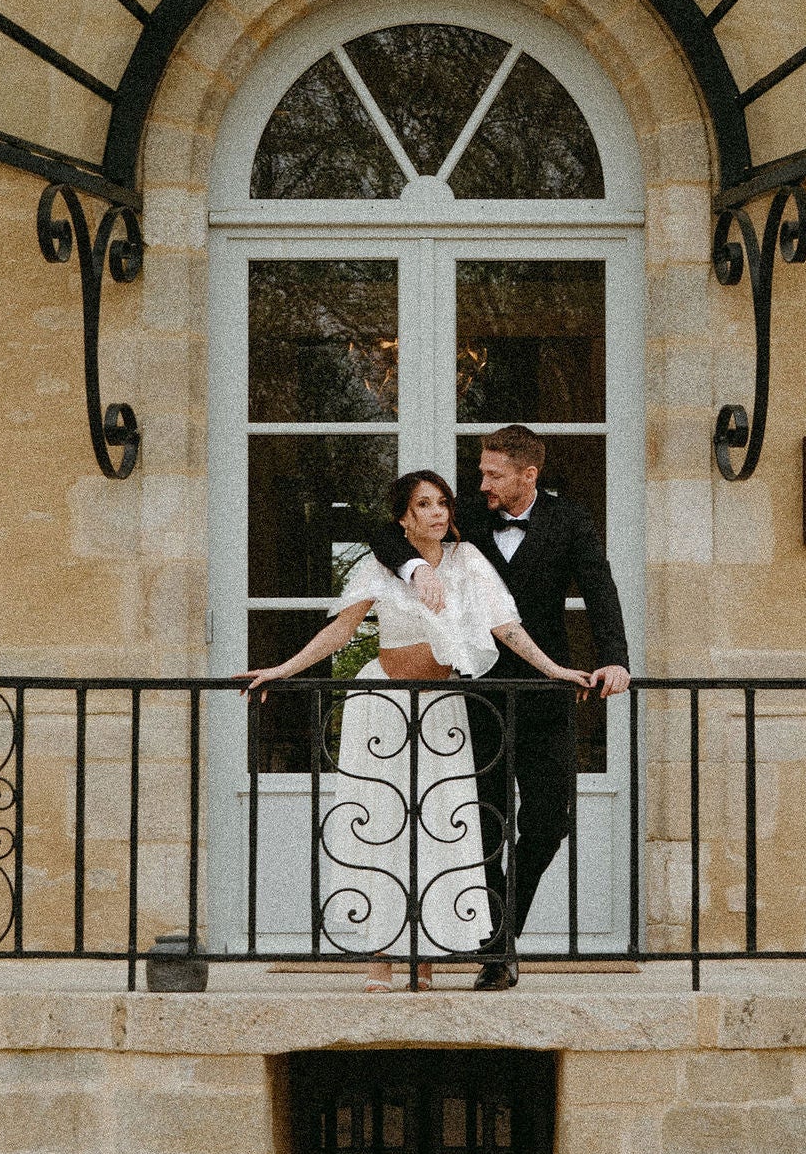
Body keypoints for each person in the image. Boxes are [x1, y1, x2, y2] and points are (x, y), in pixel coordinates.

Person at [243, 467, 591, 989]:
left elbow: (506, 627)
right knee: (380, 822)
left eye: (443, 504)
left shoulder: (466, 559)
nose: (437, 513)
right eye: (424, 505)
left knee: (441, 825)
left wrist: (557, 671)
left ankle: (426, 953)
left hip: (442, 712)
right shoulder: (382, 566)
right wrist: (280, 670)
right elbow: (339, 632)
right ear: (403, 519)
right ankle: (380, 955)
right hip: (382, 705)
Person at [368, 424, 631, 988]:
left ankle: (503, 930)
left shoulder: (571, 521)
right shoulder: (468, 515)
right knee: (485, 823)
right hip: (476, 695)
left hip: (546, 692)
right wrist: (416, 568)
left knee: (548, 821)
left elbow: (600, 589)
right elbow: (384, 533)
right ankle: (495, 950)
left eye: (493, 473)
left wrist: (615, 659)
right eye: (481, 472)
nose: (482, 482)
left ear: (527, 475)